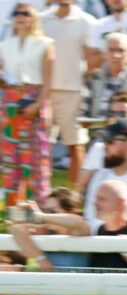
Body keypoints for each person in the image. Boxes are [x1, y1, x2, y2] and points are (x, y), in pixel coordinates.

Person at [0, 4, 54, 203]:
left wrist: (38, 104)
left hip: (35, 96)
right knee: (9, 155)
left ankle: (37, 206)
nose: (20, 17)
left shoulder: (45, 44)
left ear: (34, 18)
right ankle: (12, 207)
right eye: (16, 13)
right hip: (11, 100)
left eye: (25, 14)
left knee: (35, 155)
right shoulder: (5, 45)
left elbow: (49, 81)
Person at [41, 0, 96, 185]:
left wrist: (85, 90)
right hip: (44, 91)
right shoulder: (41, 19)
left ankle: (75, 196)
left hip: (74, 92)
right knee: (41, 146)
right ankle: (42, 193)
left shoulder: (87, 21)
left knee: (76, 146)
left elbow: (91, 60)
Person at [81, 33, 127, 117]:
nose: (116, 55)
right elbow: (84, 110)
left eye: (121, 50)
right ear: (104, 54)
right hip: (96, 128)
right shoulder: (94, 77)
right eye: (111, 50)